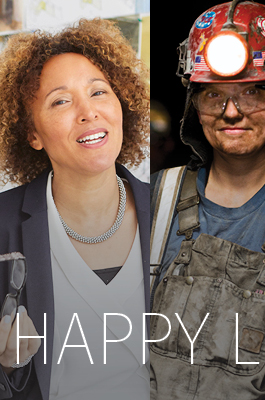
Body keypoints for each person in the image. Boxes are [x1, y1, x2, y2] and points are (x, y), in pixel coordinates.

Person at [148, 1, 265, 399]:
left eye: (252, 93)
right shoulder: (151, 202)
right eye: (214, 96)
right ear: (195, 109)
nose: (232, 112)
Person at [0, 18, 150, 399]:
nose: (88, 112)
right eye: (61, 101)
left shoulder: (171, 206)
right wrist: (8, 363)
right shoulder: (3, 222)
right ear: (32, 134)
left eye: (99, 92)